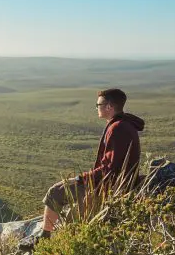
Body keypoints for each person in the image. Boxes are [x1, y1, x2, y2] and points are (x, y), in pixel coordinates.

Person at [41, 88, 145, 236]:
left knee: (55, 192)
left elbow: (109, 169)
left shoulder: (118, 128)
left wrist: (80, 179)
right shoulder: (123, 124)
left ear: (109, 106)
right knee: (64, 198)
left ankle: (44, 238)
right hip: (112, 184)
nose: (97, 108)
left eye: (99, 105)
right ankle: (46, 236)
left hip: (109, 188)